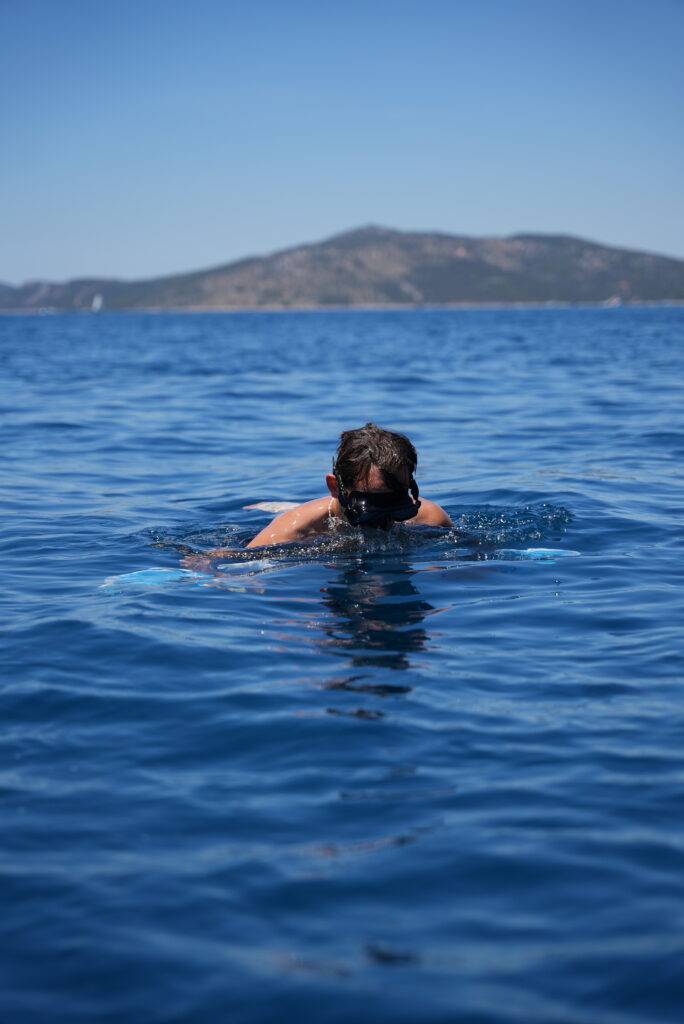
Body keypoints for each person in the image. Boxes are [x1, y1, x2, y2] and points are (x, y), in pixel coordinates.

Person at [245, 422, 451, 548]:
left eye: (396, 506)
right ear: (334, 487)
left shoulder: (430, 518)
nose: (383, 520)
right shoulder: (295, 530)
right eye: (368, 507)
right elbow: (224, 561)